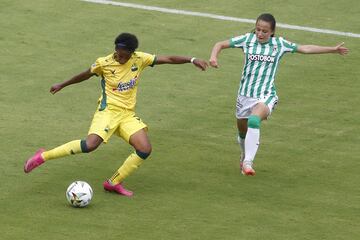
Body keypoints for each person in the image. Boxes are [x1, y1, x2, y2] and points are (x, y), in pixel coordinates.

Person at [24, 32, 208, 196]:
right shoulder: (104, 63)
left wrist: (192, 60)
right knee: (90, 145)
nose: (120, 57)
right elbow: (85, 74)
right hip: (108, 112)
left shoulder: (140, 59)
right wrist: (62, 84)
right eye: (118, 53)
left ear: (132, 53)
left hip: (127, 115)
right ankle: (43, 156)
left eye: (124, 55)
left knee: (144, 149)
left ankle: (113, 182)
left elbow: (168, 59)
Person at [209, 13, 348, 176]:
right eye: (258, 30)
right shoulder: (247, 39)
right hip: (244, 95)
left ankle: (248, 162)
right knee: (242, 133)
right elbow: (220, 44)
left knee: (254, 120)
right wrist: (213, 57)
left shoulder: (279, 44)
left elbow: (304, 48)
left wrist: (332, 49)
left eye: (265, 31)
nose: (260, 34)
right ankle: (244, 154)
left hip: (266, 95)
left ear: (272, 32)